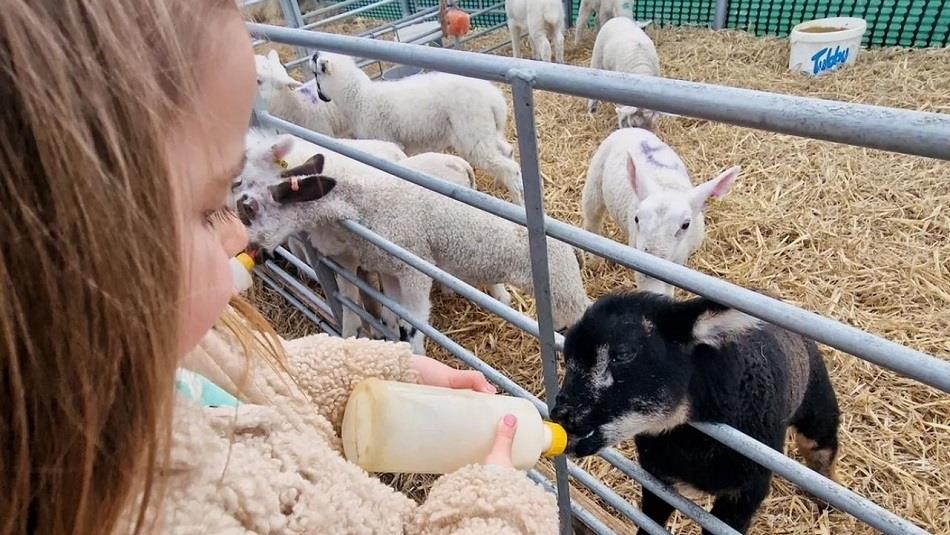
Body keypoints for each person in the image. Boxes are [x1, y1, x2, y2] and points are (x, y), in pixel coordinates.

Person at [0, 1, 558, 533]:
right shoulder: (187, 514)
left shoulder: (165, 358)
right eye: (210, 208)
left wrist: (376, 370)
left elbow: (252, 379)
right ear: (71, 260)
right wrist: (494, 509)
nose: (239, 232)